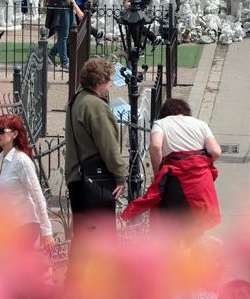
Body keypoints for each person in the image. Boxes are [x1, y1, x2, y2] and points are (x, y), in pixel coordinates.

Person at [122, 98, 222, 233]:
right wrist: (201, 164)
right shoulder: (201, 124)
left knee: (171, 229)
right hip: (200, 184)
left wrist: (158, 172)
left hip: (175, 184)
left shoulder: (161, 123)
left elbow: (156, 145)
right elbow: (215, 151)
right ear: (186, 112)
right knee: (195, 229)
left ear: (165, 113)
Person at [64, 58, 127, 239]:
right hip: (94, 181)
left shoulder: (76, 100)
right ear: (100, 81)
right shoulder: (95, 105)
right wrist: (120, 175)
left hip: (77, 178)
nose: (111, 84)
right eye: (109, 80)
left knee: (83, 239)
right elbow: (108, 145)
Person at [0, 114, 54, 253]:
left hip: (25, 227)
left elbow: (37, 195)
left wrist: (47, 231)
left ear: (14, 134)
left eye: (1, 131)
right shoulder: (1, 158)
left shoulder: (21, 161)